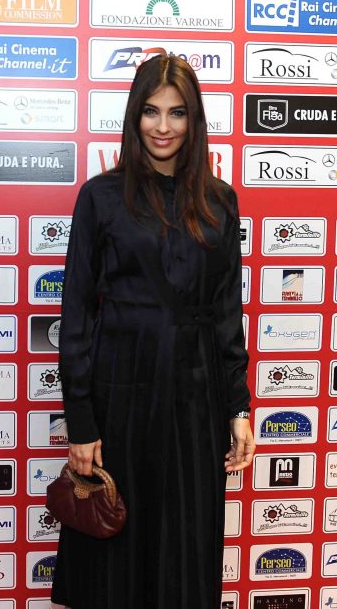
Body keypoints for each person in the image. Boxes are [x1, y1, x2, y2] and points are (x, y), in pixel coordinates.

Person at [51, 54, 254, 609]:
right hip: (120, 393)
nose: (163, 126)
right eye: (151, 111)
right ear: (133, 116)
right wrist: (81, 421)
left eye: (177, 112)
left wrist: (238, 407)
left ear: (195, 120)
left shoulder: (219, 201)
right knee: (115, 557)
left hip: (195, 398)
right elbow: (76, 316)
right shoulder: (101, 197)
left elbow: (226, 312)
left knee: (187, 547)